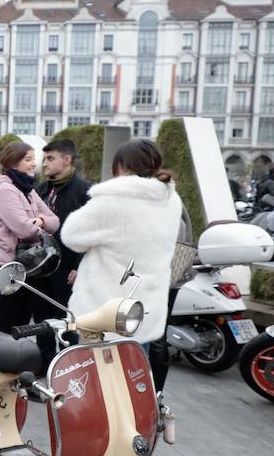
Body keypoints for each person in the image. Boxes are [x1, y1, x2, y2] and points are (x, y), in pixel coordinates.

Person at [59, 139, 183, 389]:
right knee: (135, 378)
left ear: (122, 167)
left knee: (96, 386)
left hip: (106, 309)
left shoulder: (114, 200)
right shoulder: (170, 199)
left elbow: (70, 235)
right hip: (144, 308)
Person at [0, 141, 59, 335]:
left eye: (34, 159)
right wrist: (40, 225)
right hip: (9, 268)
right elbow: (25, 230)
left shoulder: (28, 190)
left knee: (22, 326)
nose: (34, 164)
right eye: (28, 159)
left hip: (30, 267)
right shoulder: (5, 190)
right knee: (5, 326)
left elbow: (55, 221)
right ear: (13, 162)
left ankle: (12, 365)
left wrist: (39, 221)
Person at [33, 139, 92, 326]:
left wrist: (80, 265)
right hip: (39, 267)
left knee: (67, 324)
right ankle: (44, 356)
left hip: (67, 270)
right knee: (41, 322)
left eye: (50, 158)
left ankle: (68, 356)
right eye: (44, 158)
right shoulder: (40, 190)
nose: (44, 163)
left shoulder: (85, 191)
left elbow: (92, 231)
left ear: (67, 160)